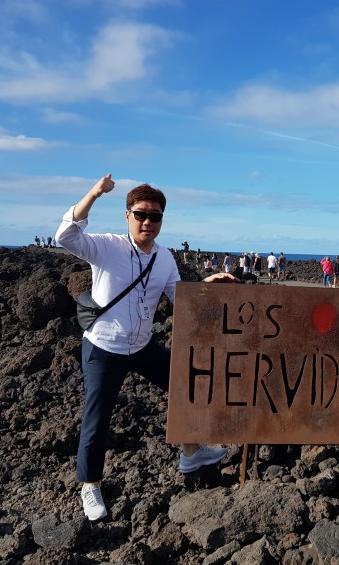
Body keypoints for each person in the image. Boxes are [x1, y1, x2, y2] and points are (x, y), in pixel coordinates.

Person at [55, 173, 236, 522]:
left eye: (155, 216)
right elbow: (65, 236)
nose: (147, 222)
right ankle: (90, 484)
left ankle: (191, 453)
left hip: (141, 345)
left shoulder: (164, 258)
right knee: (97, 418)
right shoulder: (107, 247)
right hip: (104, 347)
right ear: (128, 215)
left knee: (186, 385)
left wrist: (206, 285)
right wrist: (95, 193)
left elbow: (179, 298)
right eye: (141, 214)